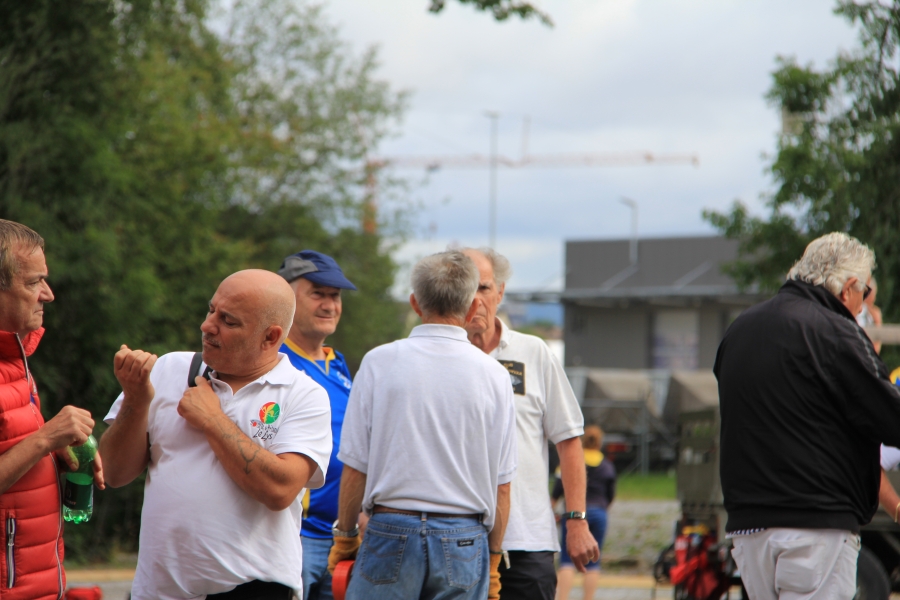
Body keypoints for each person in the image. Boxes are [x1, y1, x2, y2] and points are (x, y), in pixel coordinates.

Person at [99, 269, 332, 600]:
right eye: (211, 310)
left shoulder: (303, 394)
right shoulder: (169, 369)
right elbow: (111, 472)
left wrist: (212, 419)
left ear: (270, 336)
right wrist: (136, 402)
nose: (207, 326)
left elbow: (280, 490)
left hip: (256, 590)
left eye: (229, 320)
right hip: (159, 592)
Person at [715, 232, 900, 600]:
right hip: (815, 524)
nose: (862, 307)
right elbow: (889, 416)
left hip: (749, 529)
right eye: (864, 295)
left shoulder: (740, 330)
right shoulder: (835, 332)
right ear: (849, 288)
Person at [326, 250, 518, 600]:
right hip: (464, 536)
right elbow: (502, 485)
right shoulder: (495, 376)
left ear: (415, 303)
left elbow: (355, 465)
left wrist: (346, 537)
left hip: (389, 530)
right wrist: (492, 562)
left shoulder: (378, 362)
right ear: (473, 308)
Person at [461, 247, 599, 600]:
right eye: (466, 287)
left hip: (527, 542)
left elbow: (568, 440)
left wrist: (577, 520)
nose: (476, 299)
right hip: (453, 539)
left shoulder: (533, 353)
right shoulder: (439, 357)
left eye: (485, 287)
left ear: (501, 292)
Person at [0, 219, 105, 600]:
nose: (48, 294)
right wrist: (45, 438)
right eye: (33, 282)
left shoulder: (15, 358)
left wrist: (53, 452)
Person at [276, 250, 358, 600]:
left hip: (343, 537)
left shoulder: (337, 364)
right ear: (286, 298)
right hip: (297, 534)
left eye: (335, 296)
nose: (329, 305)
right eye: (318, 294)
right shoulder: (272, 361)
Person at [553, 425, 616, 600]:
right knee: (594, 561)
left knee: (566, 561)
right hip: (599, 514)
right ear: (600, 442)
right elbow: (610, 495)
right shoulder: (607, 465)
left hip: (575, 514)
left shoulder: (572, 460)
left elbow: (557, 491)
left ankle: (562, 597)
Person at [857, 276, 883, 354]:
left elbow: (876, 348)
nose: (874, 299)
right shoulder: (860, 311)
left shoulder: (871, 314)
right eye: (874, 294)